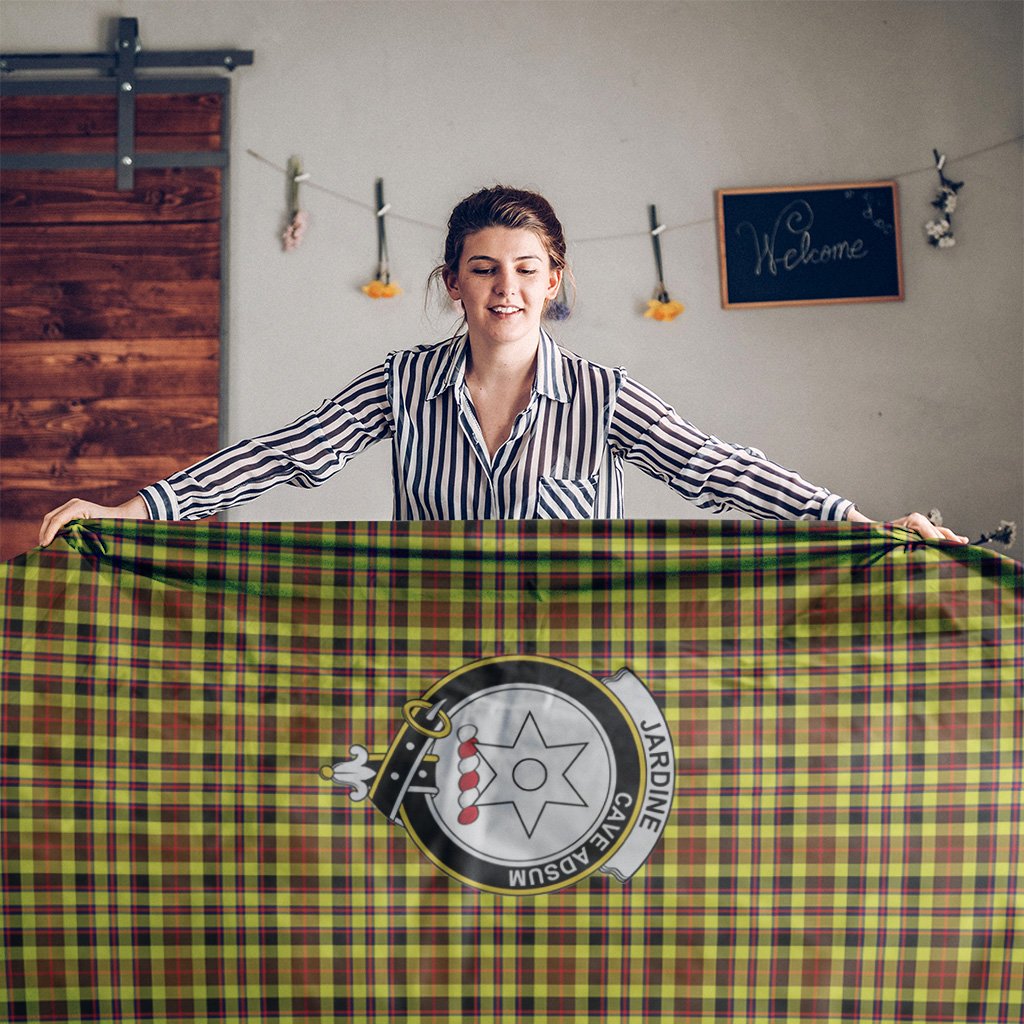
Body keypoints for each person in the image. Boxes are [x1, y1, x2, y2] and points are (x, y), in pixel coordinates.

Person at [39, 186, 968, 547]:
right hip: (426, 662)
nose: (506, 289)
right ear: (453, 283)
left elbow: (717, 467)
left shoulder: (605, 398)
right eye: (484, 269)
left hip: (575, 668)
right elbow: (285, 456)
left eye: (526, 271)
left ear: (554, 281)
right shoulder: (401, 383)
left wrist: (853, 521)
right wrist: (133, 510)